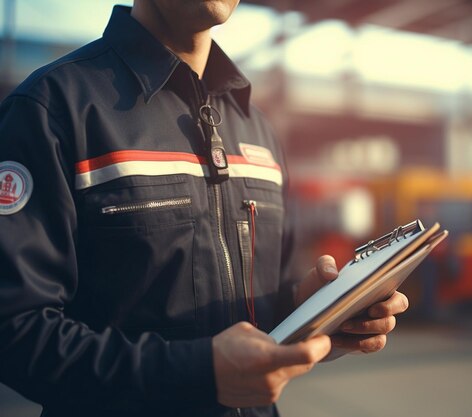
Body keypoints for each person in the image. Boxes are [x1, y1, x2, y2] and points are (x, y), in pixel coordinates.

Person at [0, 1, 409, 416]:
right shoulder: (53, 108)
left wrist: (318, 313)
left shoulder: (258, 129)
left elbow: (265, 306)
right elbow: (13, 328)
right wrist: (197, 373)